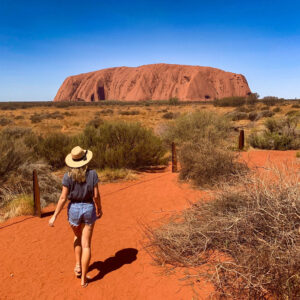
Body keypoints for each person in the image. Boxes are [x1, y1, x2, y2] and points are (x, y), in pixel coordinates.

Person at [48, 146, 103, 287]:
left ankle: (78, 265)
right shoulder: (92, 174)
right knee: (87, 245)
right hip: (89, 208)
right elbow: (96, 195)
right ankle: (84, 279)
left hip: (73, 210)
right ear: (85, 160)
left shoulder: (67, 176)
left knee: (77, 237)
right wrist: (99, 208)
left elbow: (62, 198)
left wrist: (54, 216)